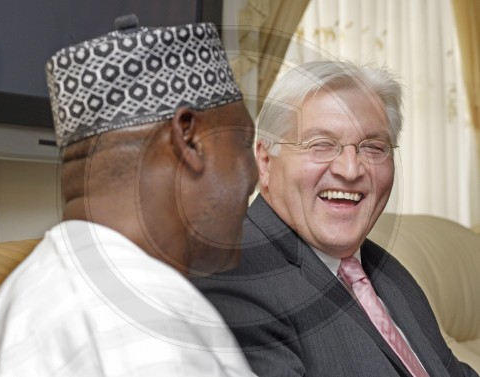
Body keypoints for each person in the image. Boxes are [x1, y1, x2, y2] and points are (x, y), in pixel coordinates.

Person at [0, 18, 259, 376]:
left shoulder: (30, 291)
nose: (252, 176)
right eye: (242, 143)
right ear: (189, 137)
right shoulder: (140, 322)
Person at [194, 60, 479, 377]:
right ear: (265, 162)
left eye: (372, 147)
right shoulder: (235, 278)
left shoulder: (388, 272)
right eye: (321, 145)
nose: (350, 169)